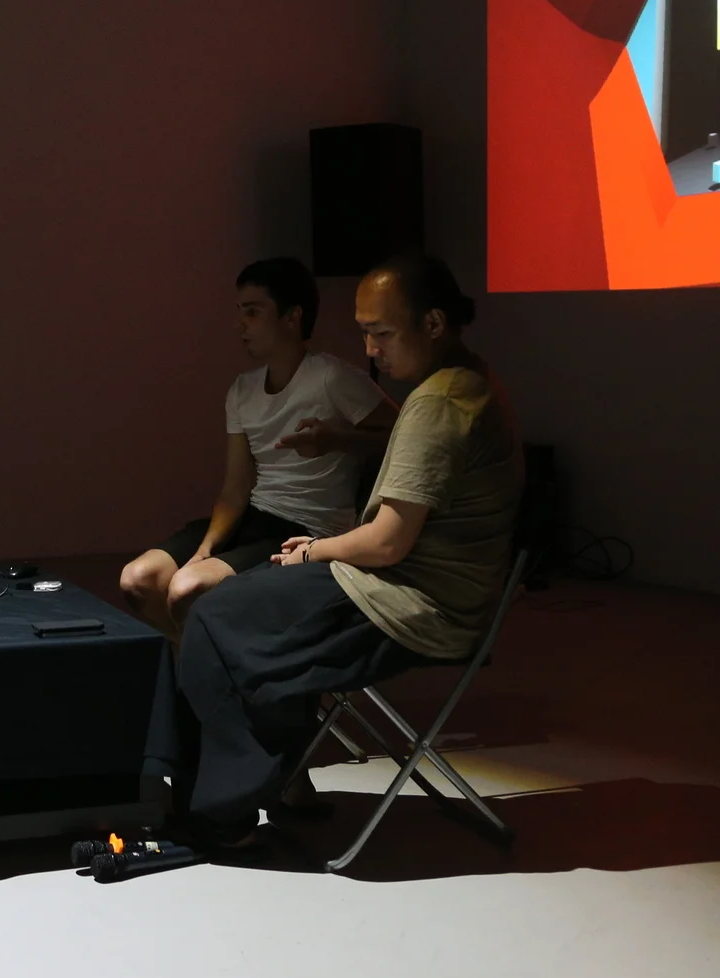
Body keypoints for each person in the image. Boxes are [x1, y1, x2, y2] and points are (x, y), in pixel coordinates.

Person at [175, 253, 523, 842]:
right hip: (424, 592)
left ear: (433, 323)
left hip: (411, 604)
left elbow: (387, 542)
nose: (371, 349)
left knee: (215, 616)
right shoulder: (467, 380)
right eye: (364, 333)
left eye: (381, 332)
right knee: (247, 607)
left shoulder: (440, 402)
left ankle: (218, 813)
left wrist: (315, 551)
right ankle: (271, 782)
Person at [121, 257, 393, 638]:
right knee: (138, 579)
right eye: (239, 311)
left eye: (253, 312)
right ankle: (198, 662)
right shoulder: (242, 390)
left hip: (306, 528)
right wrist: (206, 547)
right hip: (255, 515)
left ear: (292, 317)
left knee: (186, 588)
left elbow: (405, 435)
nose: (240, 324)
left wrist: (337, 439)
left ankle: (209, 665)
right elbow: (235, 488)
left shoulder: (331, 378)